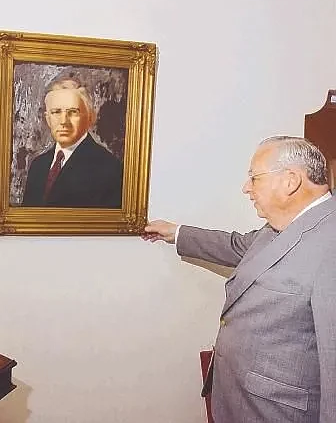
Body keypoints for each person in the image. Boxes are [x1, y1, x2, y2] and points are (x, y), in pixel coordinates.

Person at [143, 136, 336, 423]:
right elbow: (237, 246)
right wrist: (176, 232)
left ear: (290, 180)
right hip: (242, 400)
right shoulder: (283, 226)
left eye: (254, 178)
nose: (246, 188)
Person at [22, 79, 122, 208]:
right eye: (56, 112)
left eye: (73, 112)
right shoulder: (38, 165)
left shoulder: (109, 168)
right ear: (48, 119)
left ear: (90, 117)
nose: (64, 121)